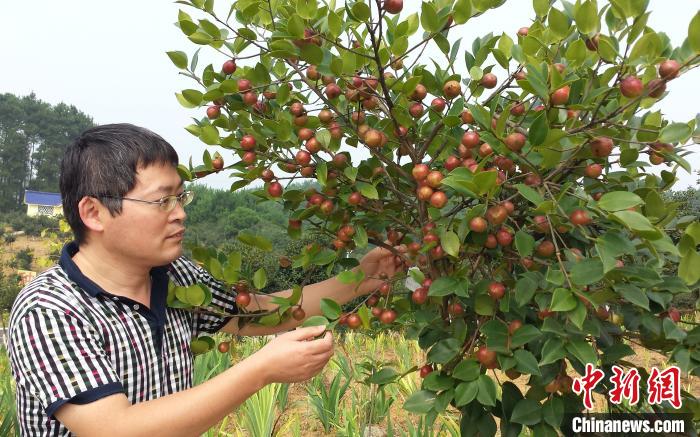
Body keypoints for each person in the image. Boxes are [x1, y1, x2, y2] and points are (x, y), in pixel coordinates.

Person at [7, 123, 403, 436]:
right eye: (162, 200)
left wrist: (363, 277)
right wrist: (260, 369)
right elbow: (115, 428)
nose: (179, 213)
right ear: (94, 213)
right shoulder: (49, 308)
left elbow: (258, 314)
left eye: (181, 197)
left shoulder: (177, 279)